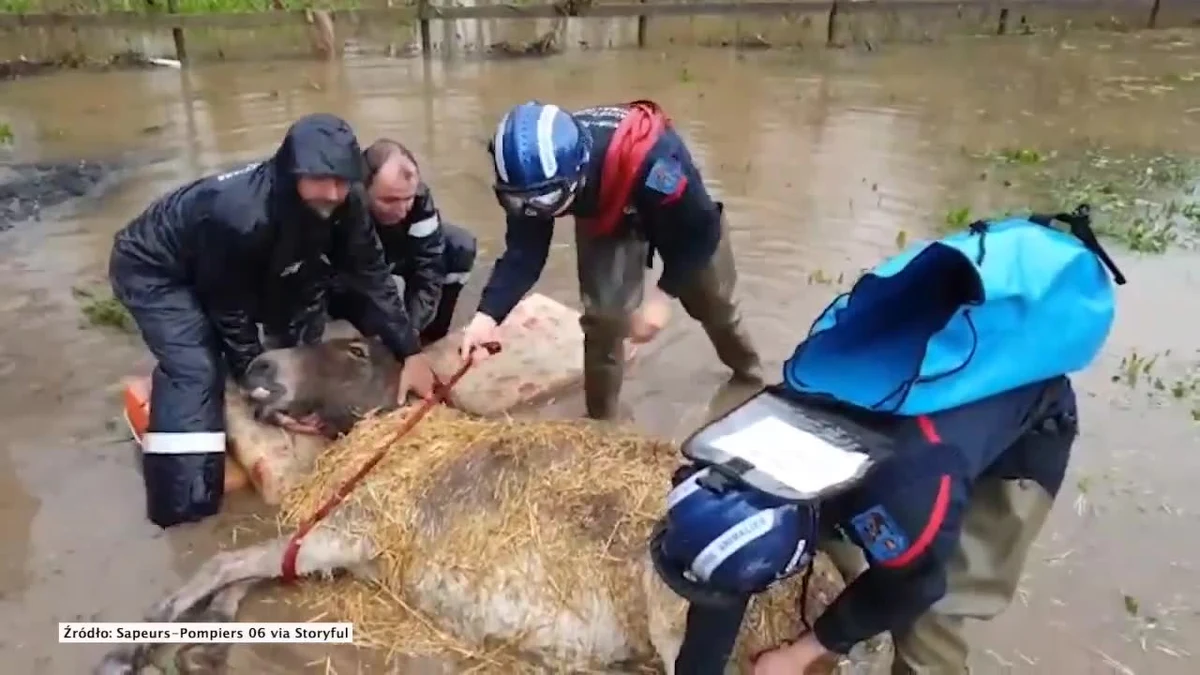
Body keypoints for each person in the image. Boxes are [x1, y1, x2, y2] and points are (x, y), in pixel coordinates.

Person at [108, 113, 437, 529]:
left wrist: (411, 352)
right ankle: (183, 505)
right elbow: (230, 308)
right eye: (320, 179)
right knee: (197, 365)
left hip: (235, 260)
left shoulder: (345, 202)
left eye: (342, 181)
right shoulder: (240, 214)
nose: (333, 192)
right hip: (154, 267)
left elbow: (371, 275)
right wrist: (257, 388)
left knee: (301, 314)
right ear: (292, 172)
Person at [652, 376, 1079, 674]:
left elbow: (914, 586)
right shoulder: (744, 447)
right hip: (899, 420)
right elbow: (726, 573)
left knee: (931, 618)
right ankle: (849, 622)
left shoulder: (905, 500)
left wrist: (799, 655)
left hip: (1021, 431)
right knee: (859, 547)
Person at [458, 100, 762, 421]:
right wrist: (486, 318)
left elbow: (702, 229)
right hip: (608, 217)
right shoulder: (530, 185)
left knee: (716, 306)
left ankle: (750, 379)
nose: (534, 210)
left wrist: (663, 296)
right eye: (519, 202)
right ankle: (601, 421)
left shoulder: (656, 165)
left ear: (577, 171)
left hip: (677, 219)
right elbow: (524, 255)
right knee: (604, 320)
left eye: (547, 200)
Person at [324, 138, 477, 346]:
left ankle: (431, 339)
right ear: (363, 188)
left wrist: (413, 328)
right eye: (389, 200)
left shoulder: (419, 200)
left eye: (408, 198)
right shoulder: (341, 205)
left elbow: (429, 268)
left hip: (393, 252)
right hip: (351, 268)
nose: (402, 210)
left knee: (459, 246)